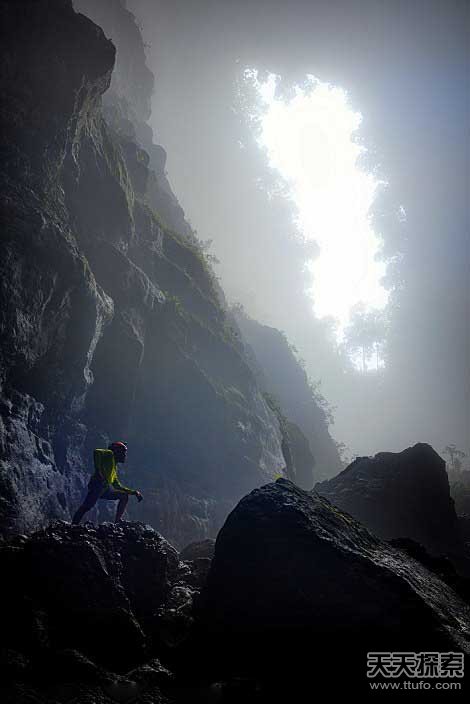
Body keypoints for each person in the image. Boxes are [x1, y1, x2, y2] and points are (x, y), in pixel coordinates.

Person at [72, 441, 143, 524]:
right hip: (97, 486)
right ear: (117, 452)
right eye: (123, 452)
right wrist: (98, 470)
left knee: (124, 496)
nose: (125, 456)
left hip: (104, 489)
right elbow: (97, 452)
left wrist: (134, 492)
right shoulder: (110, 454)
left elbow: (117, 486)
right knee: (86, 507)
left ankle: (117, 521)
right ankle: (73, 525)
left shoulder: (113, 468)